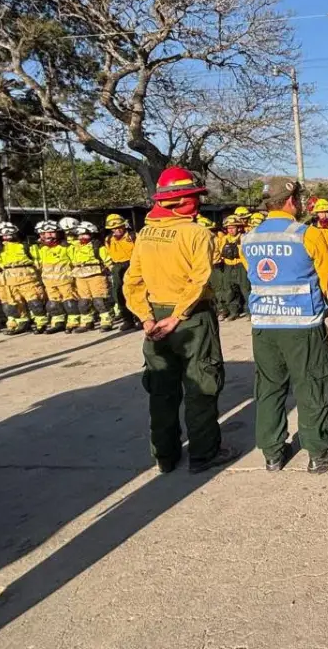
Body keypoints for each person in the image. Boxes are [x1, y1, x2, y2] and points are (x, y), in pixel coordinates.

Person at [123, 167, 236, 474]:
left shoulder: (145, 234)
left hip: (155, 321)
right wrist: (177, 316)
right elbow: (199, 280)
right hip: (191, 319)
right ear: (184, 200)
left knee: (161, 391)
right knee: (201, 386)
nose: (198, 203)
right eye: (194, 197)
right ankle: (204, 453)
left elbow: (131, 282)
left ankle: (165, 456)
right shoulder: (196, 233)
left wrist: (146, 319)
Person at [241, 177, 328, 474]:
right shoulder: (307, 234)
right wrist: (316, 306)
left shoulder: (249, 238)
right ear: (291, 201)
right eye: (299, 199)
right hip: (302, 326)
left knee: (270, 388)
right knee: (312, 384)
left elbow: (253, 274)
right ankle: (318, 451)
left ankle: (273, 454)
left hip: (264, 326)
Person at [0, 222, 47, 334]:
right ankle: (23, 323)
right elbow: (0, 263)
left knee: (34, 302)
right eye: (4, 235)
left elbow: (38, 261)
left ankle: (41, 323)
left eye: (10, 234)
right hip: (10, 280)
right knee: (16, 304)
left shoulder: (27, 245)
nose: (7, 237)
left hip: (28, 278)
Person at [32, 220, 80, 334]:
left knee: (69, 302)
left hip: (65, 281)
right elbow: (38, 265)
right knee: (53, 304)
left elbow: (75, 262)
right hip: (49, 282)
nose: (49, 235)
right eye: (46, 233)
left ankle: (73, 322)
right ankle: (58, 323)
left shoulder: (67, 247)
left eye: (52, 232)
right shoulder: (41, 249)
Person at [69, 222, 115, 332]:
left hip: (96, 275)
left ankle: (106, 321)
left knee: (100, 300)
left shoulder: (97, 246)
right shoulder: (74, 247)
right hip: (80, 276)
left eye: (85, 234)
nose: (81, 237)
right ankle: (87, 322)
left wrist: (113, 271)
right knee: (83, 302)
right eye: (79, 234)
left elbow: (108, 260)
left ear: (92, 234)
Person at [104, 214, 139, 332]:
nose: (117, 230)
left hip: (133, 264)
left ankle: (140, 318)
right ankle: (127, 319)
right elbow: (108, 255)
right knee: (119, 294)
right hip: (117, 267)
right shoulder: (108, 240)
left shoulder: (133, 236)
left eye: (119, 227)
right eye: (114, 228)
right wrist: (111, 267)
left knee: (135, 292)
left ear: (124, 226)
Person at [213, 215, 247, 320]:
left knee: (246, 289)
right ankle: (233, 312)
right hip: (228, 266)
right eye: (229, 228)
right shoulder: (223, 239)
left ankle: (250, 312)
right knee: (230, 290)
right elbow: (217, 251)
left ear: (238, 228)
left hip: (241, 266)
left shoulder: (244, 238)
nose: (231, 230)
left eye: (233, 227)